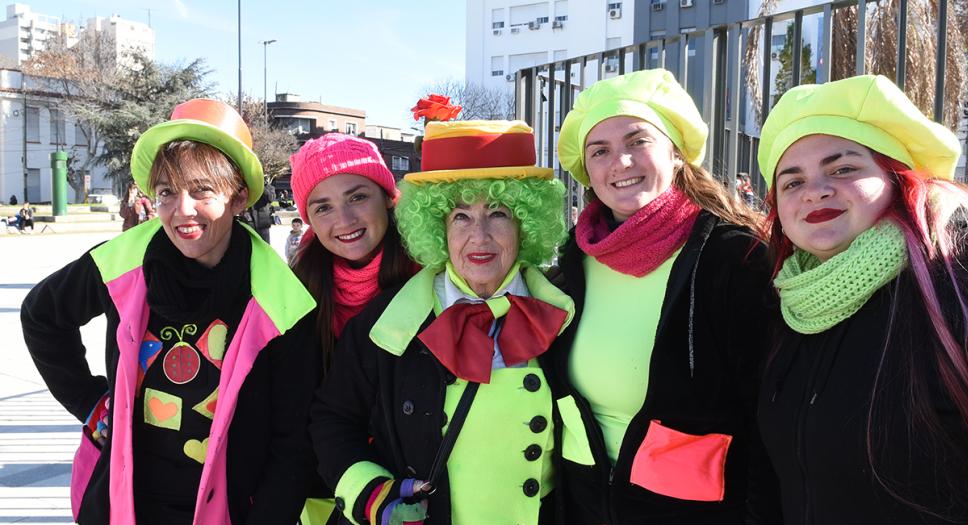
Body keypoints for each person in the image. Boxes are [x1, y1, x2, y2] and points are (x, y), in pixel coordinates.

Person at [20, 98, 320, 525]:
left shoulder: (281, 301)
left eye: (201, 190)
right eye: (166, 192)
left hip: (228, 509)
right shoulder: (122, 259)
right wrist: (89, 401)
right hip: (126, 503)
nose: (182, 210)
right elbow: (41, 315)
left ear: (237, 198)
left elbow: (292, 445)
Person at [757, 75, 968, 524]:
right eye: (792, 182)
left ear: (897, 176)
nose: (815, 190)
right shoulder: (790, 300)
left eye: (843, 168)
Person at [310, 120, 572, 525]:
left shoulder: (563, 314)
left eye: (498, 213)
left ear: (525, 222)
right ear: (438, 228)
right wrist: (370, 493)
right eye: (461, 217)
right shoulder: (386, 324)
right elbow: (332, 419)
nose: (479, 236)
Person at [548, 68, 776, 524]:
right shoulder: (571, 266)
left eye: (637, 141)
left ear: (676, 154)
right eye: (600, 150)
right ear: (587, 171)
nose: (621, 162)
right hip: (587, 506)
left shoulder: (734, 259)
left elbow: (767, 422)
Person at [288, 132, 417, 525]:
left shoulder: (429, 276)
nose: (343, 221)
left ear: (387, 198)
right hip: (332, 488)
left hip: (417, 484)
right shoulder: (299, 289)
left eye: (357, 197)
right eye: (322, 207)